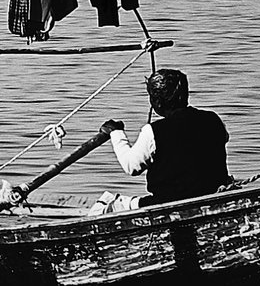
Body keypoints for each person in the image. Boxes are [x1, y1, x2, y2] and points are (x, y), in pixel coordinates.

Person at [99, 68, 231, 206]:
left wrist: (116, 133)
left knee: (104, 205)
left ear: (157, 102)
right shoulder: (213, 119)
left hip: (166, 205)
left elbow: (131, 166)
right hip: (215, 197)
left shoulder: (153, 131)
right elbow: (224, 138)